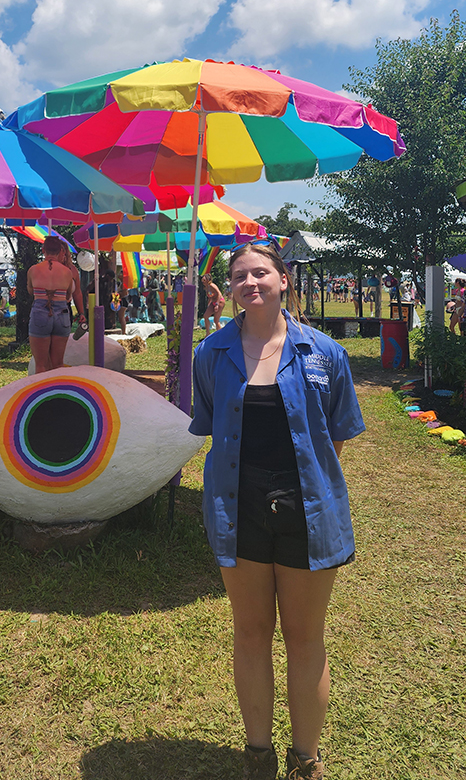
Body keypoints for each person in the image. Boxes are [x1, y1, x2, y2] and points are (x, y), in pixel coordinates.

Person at [190, 244, 365, 780]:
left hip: (307, 509)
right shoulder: (211, 354)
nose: (251, 282)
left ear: (284, 279)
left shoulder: (325, 352)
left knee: (305, 636)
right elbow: (210, 423)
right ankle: (258, 754)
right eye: (240, 275)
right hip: (236, 508)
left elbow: (335, 435)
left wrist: (300, 486)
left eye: (261, 272)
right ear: (231, 288)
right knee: (250, 631)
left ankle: (305, 758)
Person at [27, 238, 85, 372]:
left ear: (43, 250)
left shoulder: (33, 270)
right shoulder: (67, 272)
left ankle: (41, 392)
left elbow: (30, 291)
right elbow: (70, 293)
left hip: (40, 312)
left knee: (41, 365)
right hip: (62, 313)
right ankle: (57, 391)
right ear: (61, 251)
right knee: (58, 364)